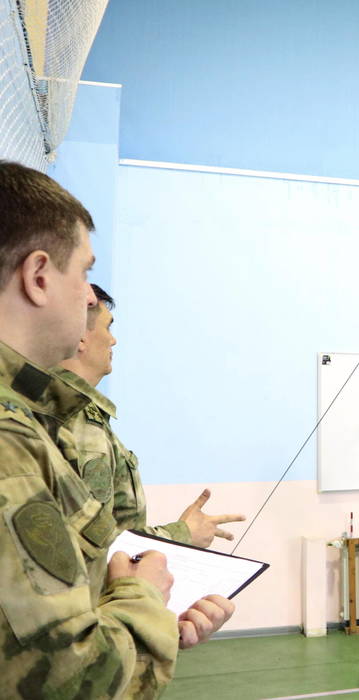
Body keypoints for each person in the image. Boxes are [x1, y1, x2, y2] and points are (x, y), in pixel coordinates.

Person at [0, 160, 231, 698]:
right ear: (38, 277)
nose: (88, 297)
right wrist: (145, 601)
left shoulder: (31, 415)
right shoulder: (12, 439)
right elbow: (72, 679)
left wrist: (149, 618)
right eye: (83, 273)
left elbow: (87, 572)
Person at [55, 283, 245, 556]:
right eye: (108, 327)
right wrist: (183, 533)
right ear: (80, 337)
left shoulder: (76, 412)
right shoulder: (78, 421)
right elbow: (96, 546)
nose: (113, 340)